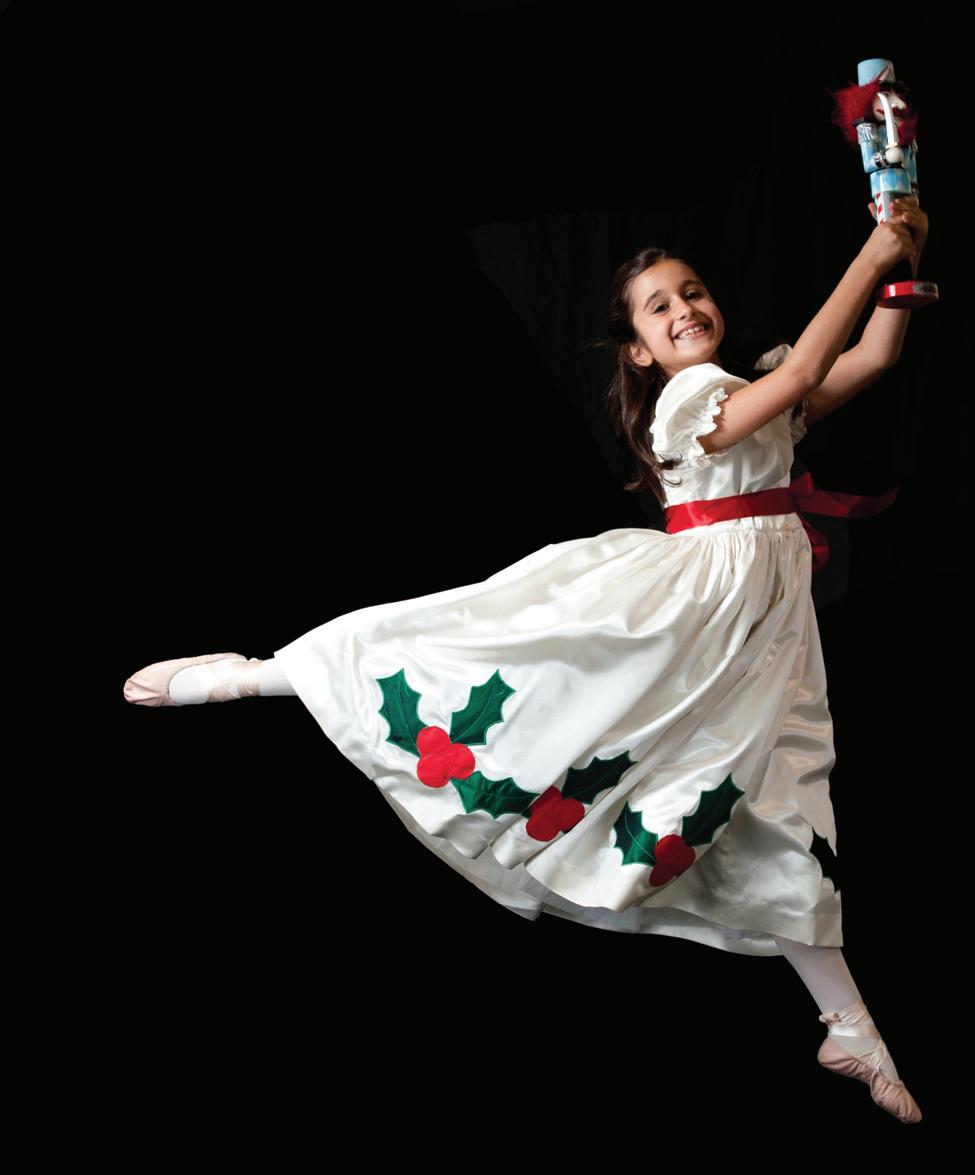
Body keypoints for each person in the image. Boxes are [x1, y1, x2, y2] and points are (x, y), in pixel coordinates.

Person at [123, 198, 926, 1123]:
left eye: (692, 292)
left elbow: (870, 357)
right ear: (637, 351)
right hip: (680, 613)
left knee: (777, 805)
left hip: (761, 637)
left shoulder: (745, 388)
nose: (682, 310)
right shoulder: (688, 400)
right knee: (490, 660)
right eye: (658, 307)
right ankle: (256, 673)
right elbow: (806, 372)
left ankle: (848, 1029)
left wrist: (906, 254)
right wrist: (870, 254)